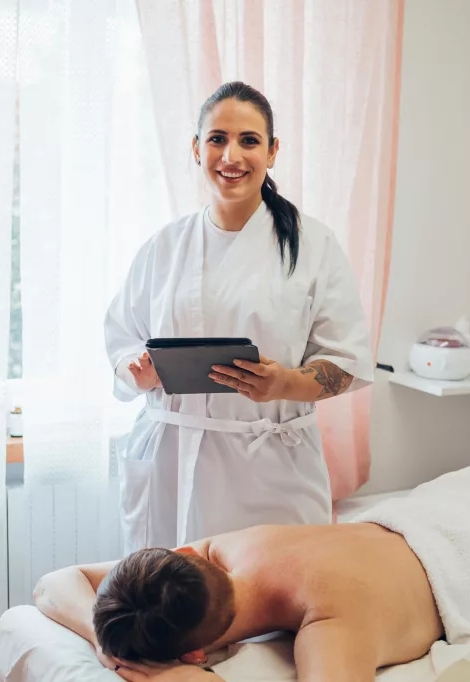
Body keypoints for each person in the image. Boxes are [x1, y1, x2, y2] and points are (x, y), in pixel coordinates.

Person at [104, 81, 373, 554]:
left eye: (249, 141)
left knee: (268, 613)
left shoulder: (314, 247)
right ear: (196, 148)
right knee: (169, 614)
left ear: (272, 152)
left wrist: (284, 383)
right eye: (217, 139)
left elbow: (346, 362)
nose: (232, 155)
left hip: (269, 474)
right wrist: (138, 371)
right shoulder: (163, 248)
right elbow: (124, 337)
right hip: (172, 463)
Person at [32, 521, 443, 682]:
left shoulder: (331, 621)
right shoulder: (219, 552)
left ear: (194, 653)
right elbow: (53, 583)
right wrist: (101, 638)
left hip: (452, 550)